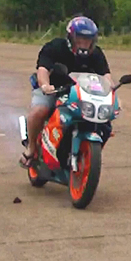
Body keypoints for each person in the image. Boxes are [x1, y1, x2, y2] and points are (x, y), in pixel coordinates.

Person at [19, 15, 114, 169]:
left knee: (104, 121)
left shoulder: (96, 54)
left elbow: (106, 76)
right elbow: (43, 70)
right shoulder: (55, 47)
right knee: (39, 111)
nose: (84, 43)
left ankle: (85, 153)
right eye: (80, 38)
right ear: (71, 37)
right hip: (54, 89)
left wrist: (111, 91)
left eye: (88, 39)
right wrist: (45, 86)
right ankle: (31, 148)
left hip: (81, 93)